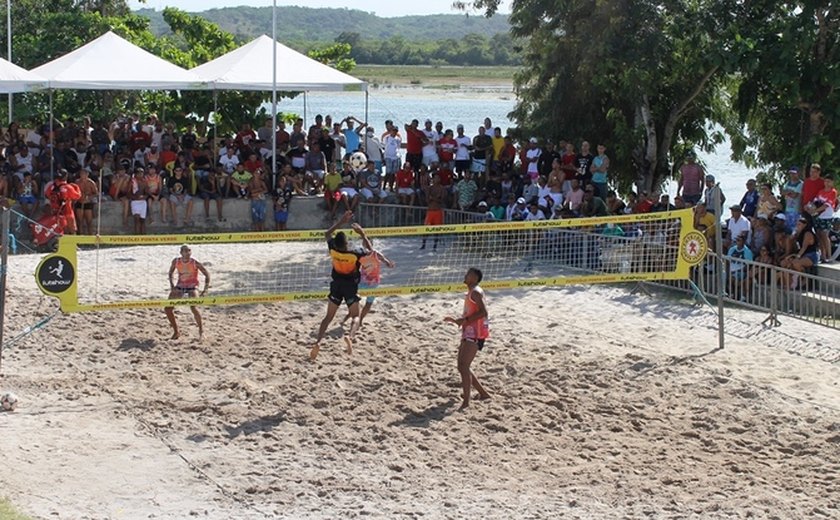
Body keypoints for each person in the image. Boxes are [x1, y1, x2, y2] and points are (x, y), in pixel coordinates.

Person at [311, 211, 373, 361]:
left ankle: (318, 341)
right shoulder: (355, 253)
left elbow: (327, 233)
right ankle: (350, 338)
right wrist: (362, 234)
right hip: (350, 286)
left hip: (336, 285)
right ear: (346, 244)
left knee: (328, 317)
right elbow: (371, 251)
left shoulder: (333, 249)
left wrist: (341, 222)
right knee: (356, 316)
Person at [443, 267, 491, 409]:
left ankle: (466, 402)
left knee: (464, 366)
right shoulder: (472, 292)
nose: (465, 275)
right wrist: (460, 321)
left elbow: (483, 312)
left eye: (468, 274)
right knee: (462, 366)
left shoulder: (475, 292)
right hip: (470, 331)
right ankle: (483, 394)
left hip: (475, 333)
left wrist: (465, 320)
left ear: (475, 278)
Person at [343, 240, 395, 329]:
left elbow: (385, 261)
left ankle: (360, 320)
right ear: (363, 244)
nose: (366, 246)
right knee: (355, 301)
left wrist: (389, 264)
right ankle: (346, 319)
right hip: (363, 281)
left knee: (368, 303)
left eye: (368, 244)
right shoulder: (360, 254)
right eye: (365, 244)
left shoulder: (376, 253)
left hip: (373, 283)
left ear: (371, 244)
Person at [164, 245, 210, 340]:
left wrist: (205, 289)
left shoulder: (194, 262)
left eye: (189, 251)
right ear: (181, 252)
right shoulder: (176, 261)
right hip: (180, 286)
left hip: (192, 286)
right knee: (168, 308)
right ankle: (176, 332)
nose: (187, 253)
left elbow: (207, 274)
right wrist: (172, 286)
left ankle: (201, 331)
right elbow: (170, 272)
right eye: (185, 251)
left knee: (193, 307)